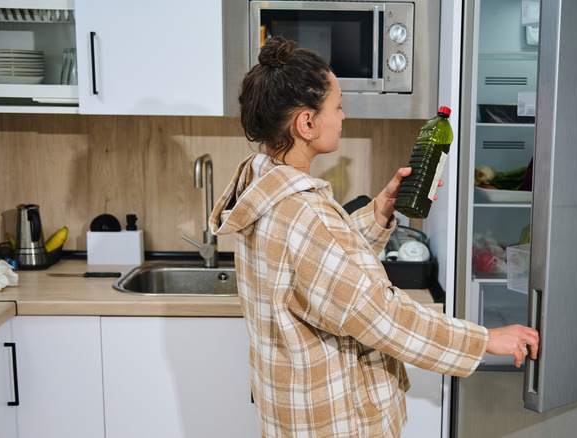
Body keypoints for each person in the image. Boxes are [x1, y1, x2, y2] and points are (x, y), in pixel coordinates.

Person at [209, 36, 539, 437]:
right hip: (335, 422)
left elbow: (321, 278)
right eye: (338, 106)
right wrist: (483, 339)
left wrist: (380, 211)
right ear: (307, 123)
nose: (344, 116)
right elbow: (380, 316)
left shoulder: (261, 184)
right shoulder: (303, 213)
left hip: (296, 413)